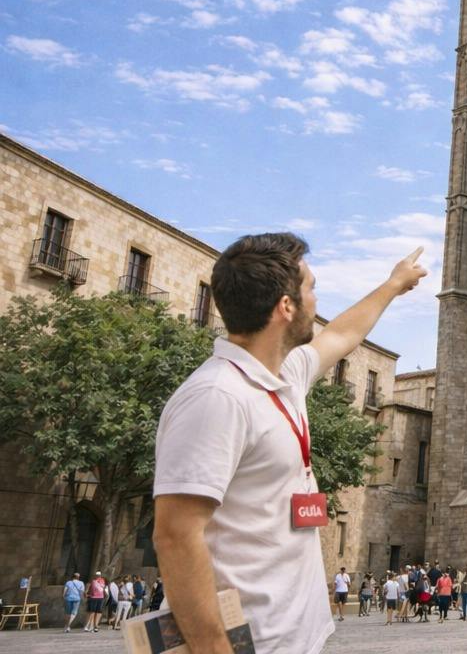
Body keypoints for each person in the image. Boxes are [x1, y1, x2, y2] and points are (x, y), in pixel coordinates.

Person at [153, 233, 427, 654]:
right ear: (285, 307)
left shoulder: (284, 377)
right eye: (311, 289)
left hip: (292, 637)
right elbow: (175, 534)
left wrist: (393, 284)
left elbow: (340, 335)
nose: (317, 303)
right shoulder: (217, 396)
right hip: (251, 643)